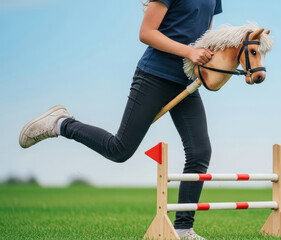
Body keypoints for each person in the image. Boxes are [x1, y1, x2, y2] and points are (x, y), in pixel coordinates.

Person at [19, 0, 222, 239]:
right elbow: (146, 33)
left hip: (186, 82)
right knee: (119, 150)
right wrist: (189, 52)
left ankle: (183, 229)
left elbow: (204, 38)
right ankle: (61, 123)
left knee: (200, 153)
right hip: (154, 77)